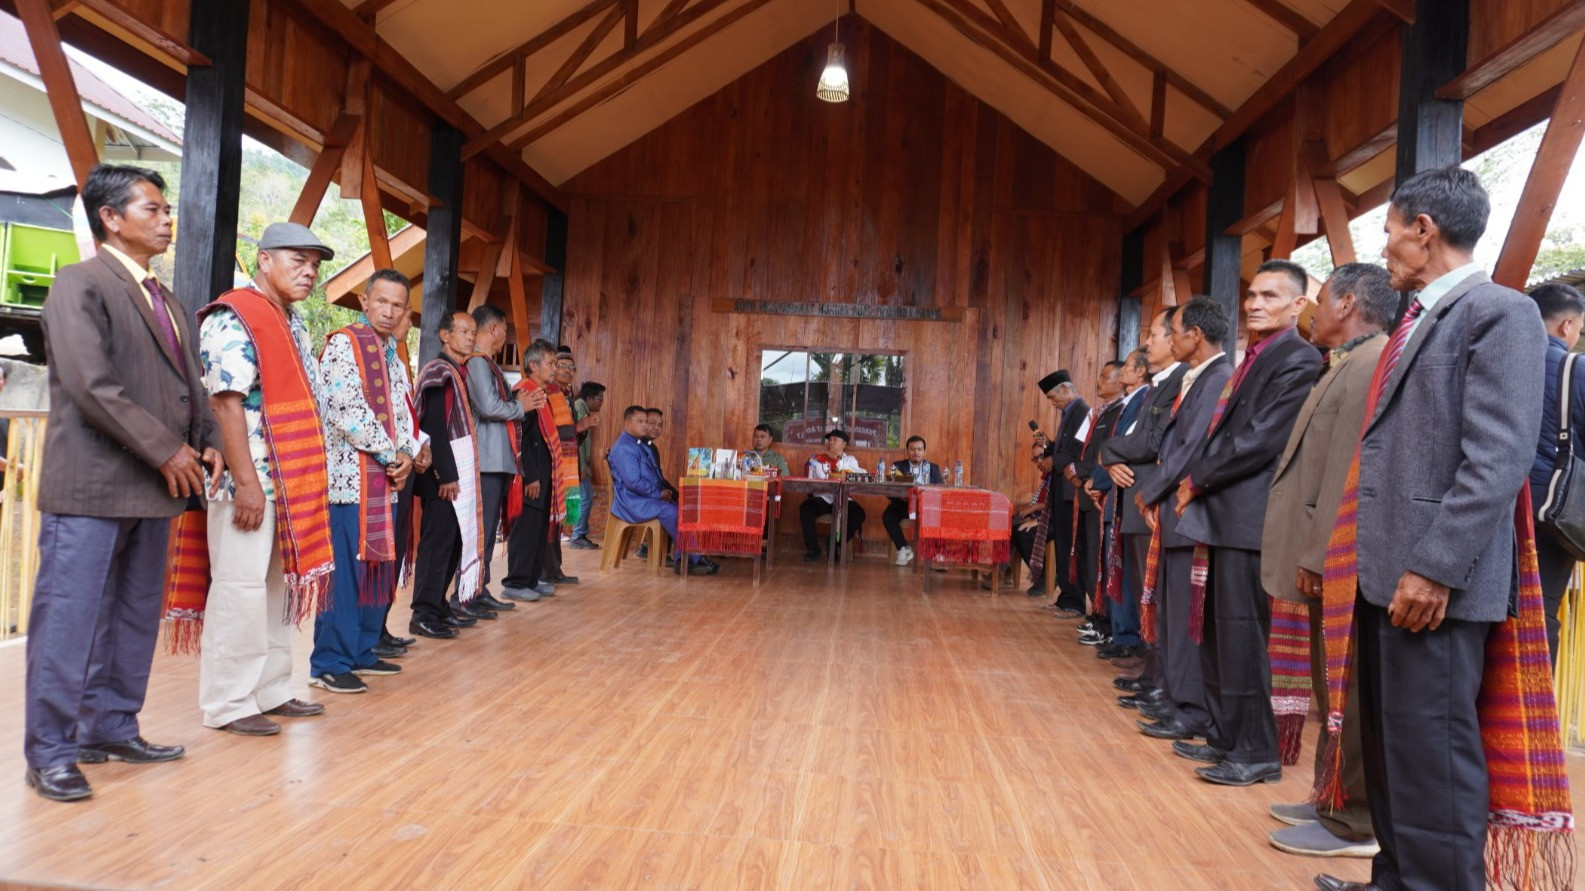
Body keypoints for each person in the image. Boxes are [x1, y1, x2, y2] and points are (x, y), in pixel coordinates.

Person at [1315, 167, 1550, 891]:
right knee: (1396, 755)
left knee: (1435, 761)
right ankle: (1395, 879)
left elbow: (1498, 455)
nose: (1383, 249)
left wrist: (1436, 566)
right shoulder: (1419, 317)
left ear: (1423, 230)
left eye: (1388, 232)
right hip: (1387, 574)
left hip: (1433, 583)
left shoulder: (1497, 312)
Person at [24, 164, 223, 802]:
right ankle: (51, 750)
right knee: (70, 619)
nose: (168, 220)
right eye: (153, 209)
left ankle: (110, 725)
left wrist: (210, 443)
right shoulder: (79, 284)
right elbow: (90, 384)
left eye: (167, 210)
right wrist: (169, 449)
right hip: (93, 485)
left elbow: (191, 387)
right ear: (111, 217)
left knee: (135, 615)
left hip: (154, 487)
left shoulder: (167, 301)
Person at [1259, 262, 1394, 858]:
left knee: (1345, 687)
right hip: (1320, 553)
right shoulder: (1350, 359)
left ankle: (1352, 818)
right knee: (1328, 684)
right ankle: (1330, 795)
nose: (1314, 313)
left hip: (1333, 555)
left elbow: (1346, 470)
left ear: (1345, 302)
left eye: (1317, 301)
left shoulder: (1371, 362)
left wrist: (1320, 553)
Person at [1171, 260, 1321, 786]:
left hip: (1249, 517)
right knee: (1217, 636)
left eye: (1271, 296)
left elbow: (1260, 439)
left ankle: (1256, 750)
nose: (1255, 304)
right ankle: (1227, 737)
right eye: (1253, 295)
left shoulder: (1298, 358)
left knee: (1242, 637)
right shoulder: (1256, 354)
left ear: (1299, 305)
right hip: (1225, 515)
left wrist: (1196, 480)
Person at [197, 221, 337, 735]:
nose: (309, 271)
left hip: (292, 480)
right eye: (297, 260)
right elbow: (225, 402)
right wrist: (246, 480)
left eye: (315, 264)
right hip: (249, 479)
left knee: (278, 587)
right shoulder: (235, 314)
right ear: (264, 260)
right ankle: (229, 704)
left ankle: (273, 689)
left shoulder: (290, 321)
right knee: (239, 588)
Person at [309, 269, 420, 694]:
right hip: (347, 482)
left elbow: (402, 410)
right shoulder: (344, 344)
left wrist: (407, 452)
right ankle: (329, 662)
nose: (389, 312)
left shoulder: (390, 351)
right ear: (364, 301)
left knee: (378, 567)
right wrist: (394, 453)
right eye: (382, 302)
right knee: (347, 574)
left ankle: (360, 651)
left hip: (385, 480)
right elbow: (346, 410)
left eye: (398, 305)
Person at [1132, 296, 1231, 744]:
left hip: (1187, 512)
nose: (1168, 340)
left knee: (1183, 618)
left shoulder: (1215, 379)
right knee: (1170, 615)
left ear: (1194, 334)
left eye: (1172, 331)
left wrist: (1149, 492)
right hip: (1173, 515)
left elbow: (1189, 447)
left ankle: (1190, 708)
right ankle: (1174, 697)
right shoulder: (1198, 377)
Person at [1102, 310, 1187, 699]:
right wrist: (1114, 456)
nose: (1147, 342)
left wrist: (1108, 451)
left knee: (1157, 595)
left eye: (1154, 334)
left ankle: (1161, 680)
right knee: (1146, 592)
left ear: (1178, 338)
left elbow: (1149, 443)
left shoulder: (1179, 383)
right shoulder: (1160, 385)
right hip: (1140, 497)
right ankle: (1152, 674)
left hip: (1153, 498)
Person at [409, 311, 487, 638]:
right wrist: (445, 474)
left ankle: (439, 605)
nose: (470, 337)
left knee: (454, 540)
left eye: (473, 333)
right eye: (464, 331)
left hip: (455, 475)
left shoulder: (457, 371)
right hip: (442, 475)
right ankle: (423, 612)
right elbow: (434, 427)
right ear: (444, 335)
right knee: (437, 543)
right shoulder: (439, 371)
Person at [459, 304, 530, 617]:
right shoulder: (477, 362)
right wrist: (520, 407)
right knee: (482, 530)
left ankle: (479, 587)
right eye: (504, 329)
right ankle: (468, 592)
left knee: (488, 530)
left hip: (497, 460)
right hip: (485, 460)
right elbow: (488, 407)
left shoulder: (488, 364)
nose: (505, 335)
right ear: (494, 329)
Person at [1529, 281, 1585, 662]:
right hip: (1552, 517)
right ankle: (1530, 716)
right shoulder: (1575, 367)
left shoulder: (1493, 360)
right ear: (1566, 326)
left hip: (1488, 510)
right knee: (1539, 614)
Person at [1089, 350, 1151, 661]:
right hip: (1115, 493)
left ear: (1140, 373)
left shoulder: (1143, 400)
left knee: (1124, 571)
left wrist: (1100, 480)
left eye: (1127, 366)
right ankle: (1119, 630)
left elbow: (1124, 447)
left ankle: (1127, 636)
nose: (1123, 370)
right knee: (1116, 567)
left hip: (1129, 493)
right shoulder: (1128, 403)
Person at [608, 403, 719, 574]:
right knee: (675, 513)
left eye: (646, 421)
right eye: (641, 421)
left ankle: (685, 559)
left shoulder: (638, 444)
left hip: (643, 498)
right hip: (632, 502)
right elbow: (633, 482)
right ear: (627, 423)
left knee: (682, 509)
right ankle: (693, 558)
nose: (645, 425)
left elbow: (654, 477)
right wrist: (659, 494)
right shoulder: (624, 447)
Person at [501, 339, 570, 599]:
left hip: (544, 474)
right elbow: (523, 440)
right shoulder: (524, 393)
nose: (554, 368)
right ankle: (516, 583)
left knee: (539, 529)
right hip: (530, 477)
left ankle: (531, 578)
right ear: (533, 365)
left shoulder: (541, 393)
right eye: (550, 363)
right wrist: (530, 476)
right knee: (526, 529)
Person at [1072, 361, 1126, 641]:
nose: (1099, 381)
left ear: (1120, 381)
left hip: (1101, 492)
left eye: (1106, 377)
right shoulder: (1102, 411)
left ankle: (1104, 620)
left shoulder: (1120, 410)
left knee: (1101, 559)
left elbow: (1104, 454)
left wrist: (1090, 478)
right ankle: (1097, 615)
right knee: (1090, 558)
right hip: (1089, 491)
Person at [1039, 370, 1088, 614]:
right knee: (1062, 542)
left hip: (1072, 489)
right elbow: (1065, 448)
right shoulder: (1069, 412)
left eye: (1053, 397)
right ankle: (1065, 596)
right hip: (1061, 488)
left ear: (1067, 389)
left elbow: (1080, 451)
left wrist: (1053, 461)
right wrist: (1048, 447)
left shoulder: (1082, 411)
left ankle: (1074, 601)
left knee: (1071, 545)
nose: (1052, 402)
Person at [536, 346, 583, 585]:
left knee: (556, 520)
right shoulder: (547, 391)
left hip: (564, 463)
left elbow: (571, 436)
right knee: (548, 519)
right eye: (559, 365)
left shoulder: (566, 395)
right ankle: (544, 572)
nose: (565, 371)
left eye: (570, 368)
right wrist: (580, 428)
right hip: (551, 463)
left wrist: (579, 430)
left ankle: (554, 570)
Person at [800, 428, 865, 561]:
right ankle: (813, 549)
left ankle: (834, 544)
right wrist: (832, 461)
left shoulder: (850, 460)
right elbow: (822, 476)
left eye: (835, 440)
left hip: (844, 497)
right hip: (823, 497)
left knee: (859, 513)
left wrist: (839, 462)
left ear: (844, 444)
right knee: (805, 508)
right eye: (829, 439)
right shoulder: (818, 459)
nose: (831, 442)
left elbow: (861, 473)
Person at [884, 435, 943, 565]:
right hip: (903, 504)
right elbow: (889, 491)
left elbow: (939, 492)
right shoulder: (897, 466)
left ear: (924, 452)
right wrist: (901, 496)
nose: (916, 452)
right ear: (907, 450)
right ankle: (903, 549)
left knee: (938, 517)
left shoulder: (933, 468)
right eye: (912, 449)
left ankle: (936, 553)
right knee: (888, 516)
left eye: (919, 449)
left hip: (925, 506)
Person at [1010, 441, 1054, 591]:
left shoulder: (1056, 476)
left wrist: (1035, 515)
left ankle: (1043, 577)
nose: (1038, 462)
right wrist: (1021, 507)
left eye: (1040, 457)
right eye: (1035, 459)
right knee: (1011, 522)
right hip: (1041, 515)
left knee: (1022, 531)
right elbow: (1036, 501)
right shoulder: (1046, 477)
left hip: (1053, 519)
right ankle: (1005, 570)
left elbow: (1051, 504)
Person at [569, 381, 606, 549]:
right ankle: (578, 535)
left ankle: (579, 534)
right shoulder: (579, 408)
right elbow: (576, 442)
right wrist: (582, 467)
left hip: (580, 464)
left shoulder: (583, 408)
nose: (601, 402)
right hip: (577, 464)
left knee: (583, 498)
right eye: (599, 399)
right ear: (590, 398)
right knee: (584, 498)